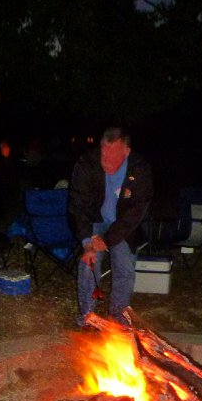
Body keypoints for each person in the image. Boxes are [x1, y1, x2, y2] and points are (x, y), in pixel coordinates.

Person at [68, 127, 153, 325]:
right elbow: (77, 205)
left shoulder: (139, 168)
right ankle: (88, 318)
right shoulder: (86, 164)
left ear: (127, 151)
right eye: (104, 155)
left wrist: (107, 240)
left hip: (123, 225)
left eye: (113, 158)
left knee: (124, 267)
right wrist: (88, 241)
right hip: (95, 220)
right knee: (89, 263)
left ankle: (117, 317)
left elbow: (135, 212)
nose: (106, 162)